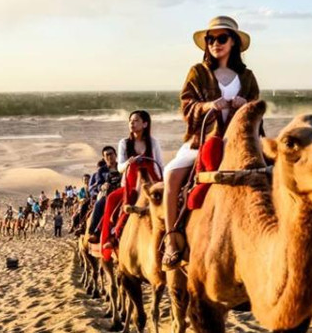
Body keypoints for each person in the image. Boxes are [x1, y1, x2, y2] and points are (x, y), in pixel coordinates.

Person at [162, 15, 259, 269]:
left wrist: (246, 105)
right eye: (210, 39)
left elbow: (257, 109)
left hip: (239, 143)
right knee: (171, 177)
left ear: (233, 43)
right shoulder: (198, 72)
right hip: (204, 140)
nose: (215, 43)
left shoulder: (247, 77)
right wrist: (206, 106)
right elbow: (186, 105)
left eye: (222, 38)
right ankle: (171, 239)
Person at [100, 110, 163, 256]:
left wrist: (162, 183)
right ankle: (113, 236)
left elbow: (159, 165)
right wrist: (128, 162)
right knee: (111, 199)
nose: (131, 124)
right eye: (130, 121)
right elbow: (121, 167)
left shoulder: (153, 142)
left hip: (150, 182)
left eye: (135, 121)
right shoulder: (124, 143)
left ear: (145, 124)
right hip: (130, 184)